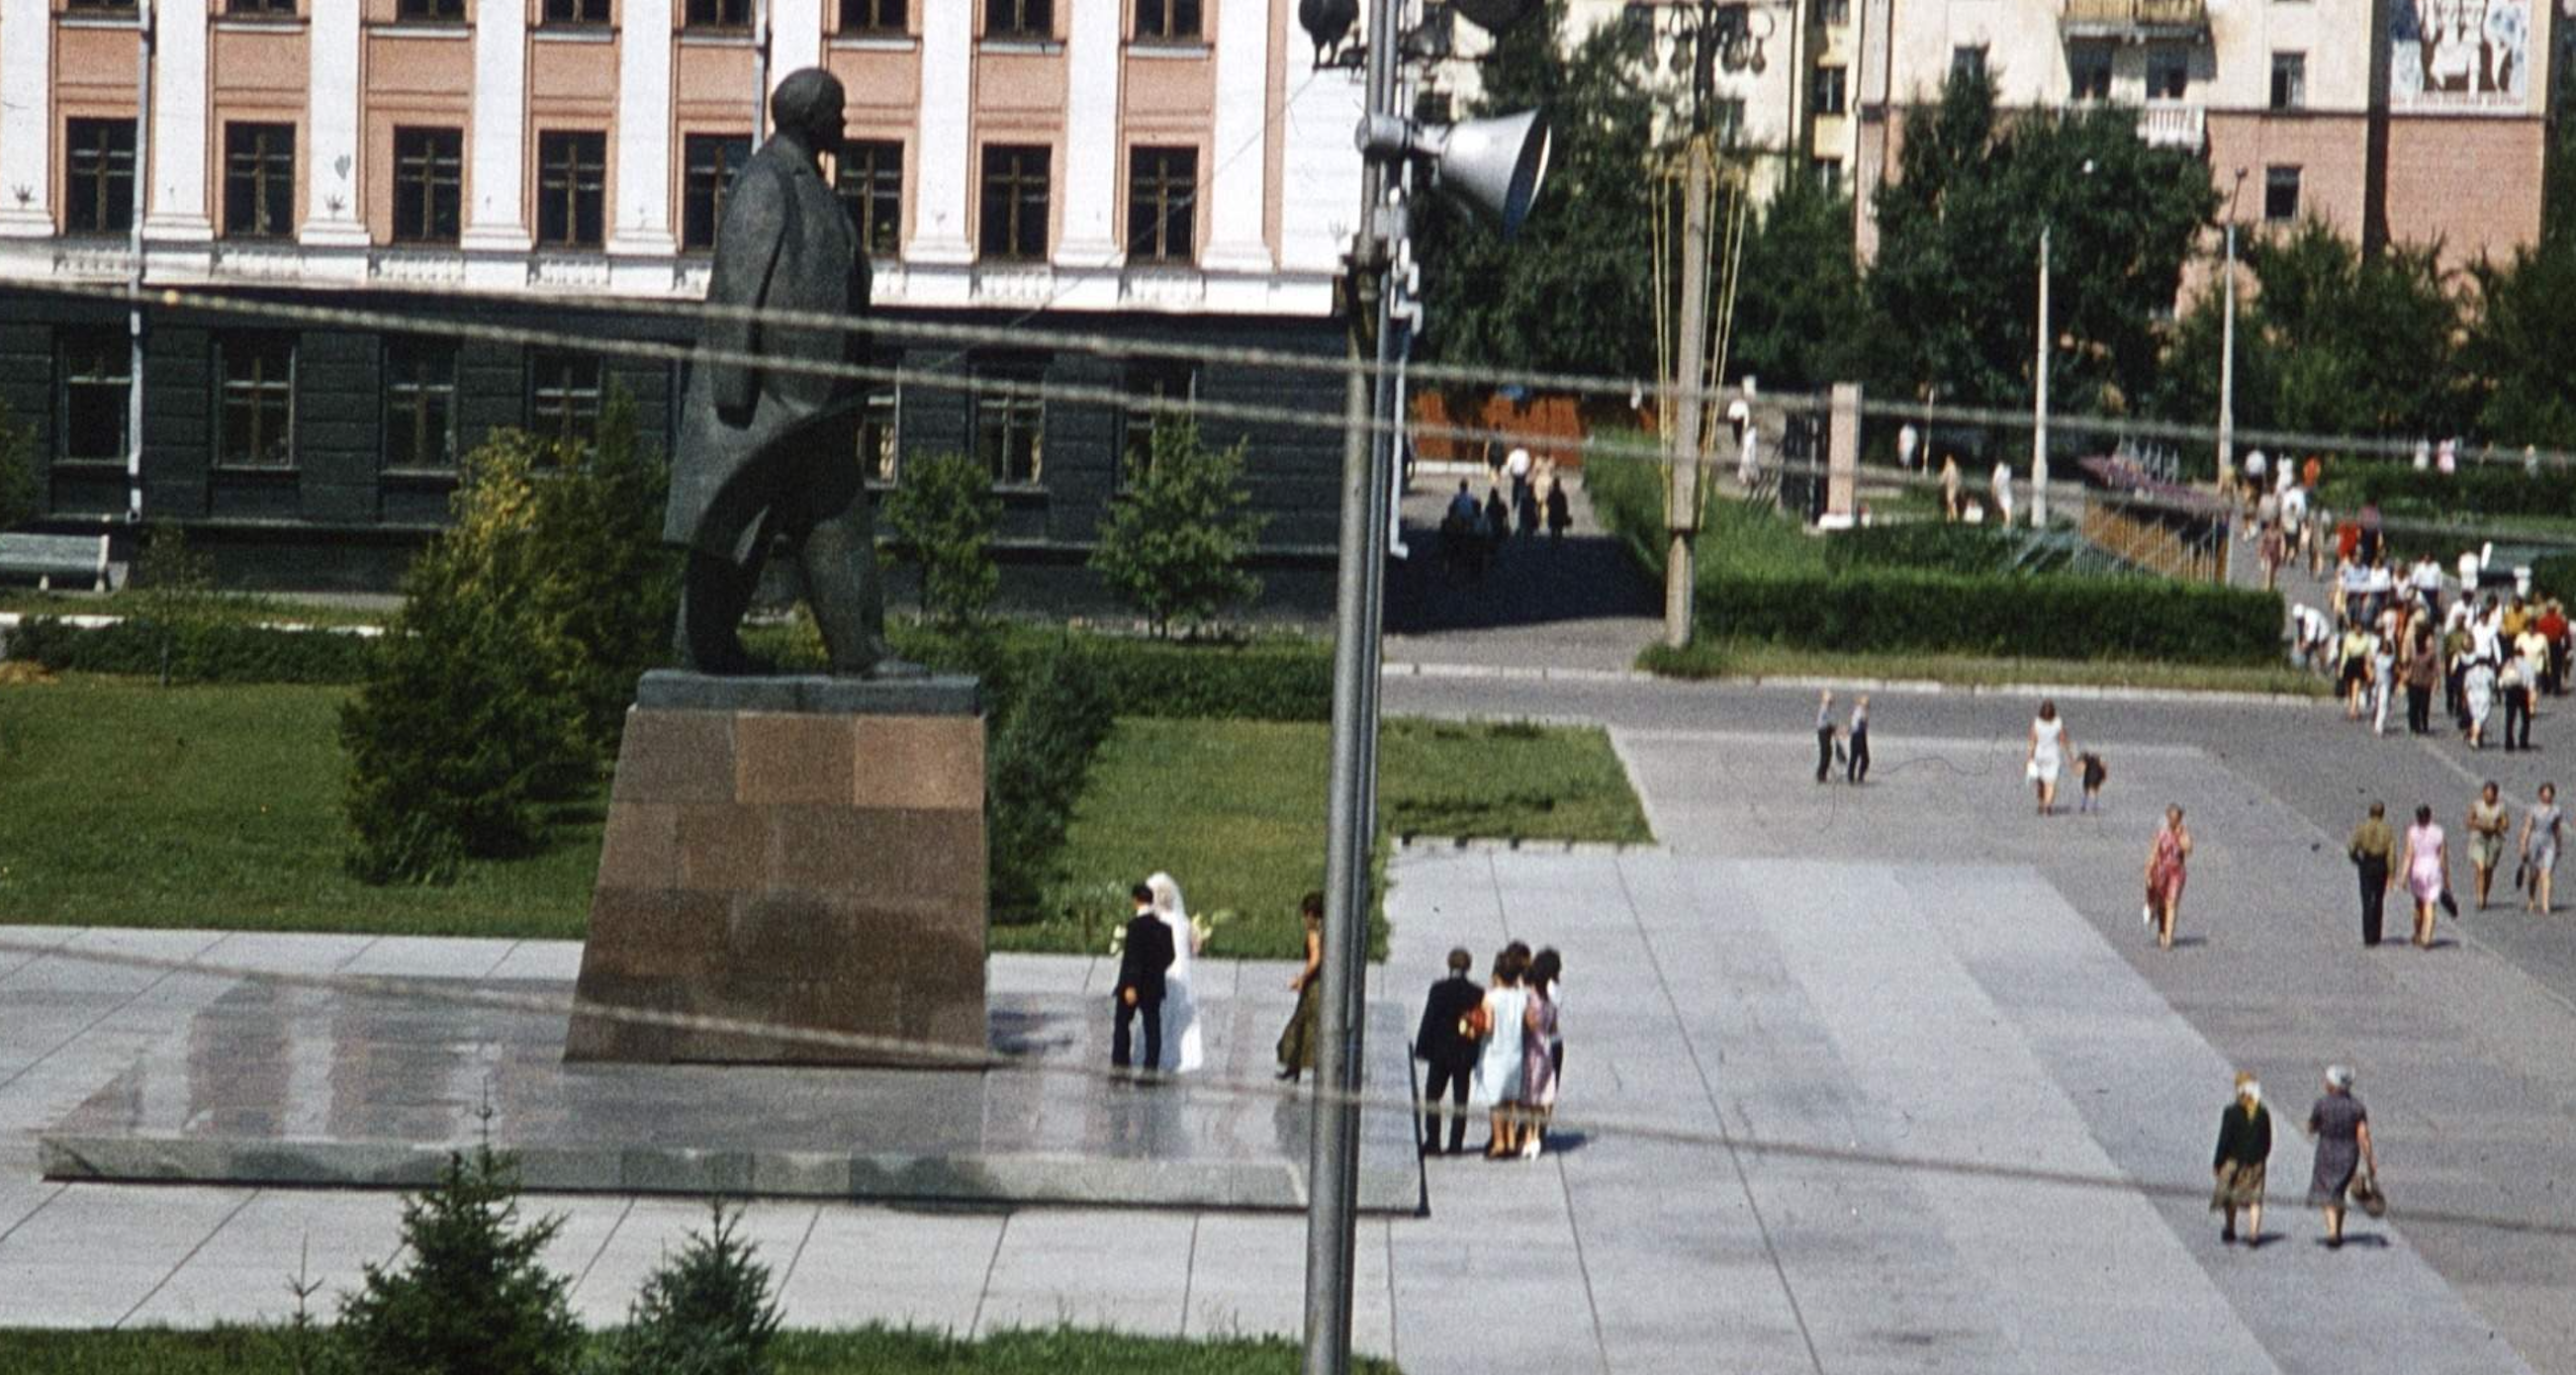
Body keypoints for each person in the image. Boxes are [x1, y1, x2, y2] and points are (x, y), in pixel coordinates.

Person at [1413, 947, 1487, 1155]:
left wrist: (1422, 1047)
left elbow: (1429, 1019)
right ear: (1468, 967)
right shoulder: (1476, 992)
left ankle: (1433, 1141)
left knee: (1433, 1096)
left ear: (1449, 965)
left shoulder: (1439, 990)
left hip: (1440, 1052)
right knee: (1460, 1099)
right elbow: (1478, 1024)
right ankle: (1456, 1144)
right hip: (1464, 1052)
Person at [1469, 944, 1533, 1158]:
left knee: (1496, 1102)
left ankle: (1499, 1142)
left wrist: (1472, 1028)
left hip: (1495, 1054)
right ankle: (1512, 1139)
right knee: (1510, 1100)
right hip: (1515, 1053)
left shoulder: (1491, 998)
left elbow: (1488, 1027)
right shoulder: (1521, 997)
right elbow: (1529, 1024)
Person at [2305, 1066, 2377, 1248]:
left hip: (2326, 1151)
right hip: (2349, 1153)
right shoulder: (2357, 1106)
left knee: (2327, 1192)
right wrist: (2370, 1159)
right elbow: (2363, 1135)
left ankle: (2332, 1232)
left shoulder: (2322, 1104)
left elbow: (2312, 1127)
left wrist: (2315, 1126)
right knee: (2339, 1191)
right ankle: (2338, 1229)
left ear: (2331, 1084)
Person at [1112, 882, 1176, 1073]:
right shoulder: (1164, 928)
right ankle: (1151, 1063)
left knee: (1122, 1023)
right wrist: (1155, 972)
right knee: (1152, 1026)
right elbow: (1170, 956)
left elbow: (1133, 958)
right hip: (1153, 986)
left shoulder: (1135, 927)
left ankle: (1121, 1060)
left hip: (1132, 985)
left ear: (1136, 900)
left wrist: (1131, 985)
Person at [1145, 871, 1204, 1074]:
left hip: (1163, 973)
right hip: (1180, 974)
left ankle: (1158, 1054)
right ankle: (1178, 1053)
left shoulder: (1155, 921)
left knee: (1158, 1015)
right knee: (1177, 1016)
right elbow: (1194, 949)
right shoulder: (1183, 921)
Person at [2212, 1071, 2272, 1245]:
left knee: (2231, 1196)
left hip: (2234, 1162)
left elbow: (2224, 1139)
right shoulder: (2262, 1113)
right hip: (2256, 1163)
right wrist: (2261, 1157)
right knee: (2255, 1199)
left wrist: (2218, 1162)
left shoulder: (2231, 1112)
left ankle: (2230, 1228)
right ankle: (2254, 1234)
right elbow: (2267, 1140)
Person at [1274, 891, 1324, 1081]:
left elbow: (1315, 959)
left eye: (1305, 915)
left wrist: (1302, 978)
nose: (1304, 920)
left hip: (1314, 988)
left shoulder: (1314, 934)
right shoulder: (1327, 930)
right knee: (1305, 1026)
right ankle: (1295, 1068)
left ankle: (1295, 1066)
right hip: (1319, 985)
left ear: (1311, 914)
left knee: (1299, 1026)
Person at [1518, 949, 1561, 1158]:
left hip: (1531, 1049)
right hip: (1547, 1048)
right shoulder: (1550, 999)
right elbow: (1553, 1028)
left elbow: (1529, 1024)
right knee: (1542, 1094)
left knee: (1528, 1095)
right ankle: (1536, 1135)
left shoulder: (1530, 998)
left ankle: (1528, 1135)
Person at [2145, 804, 2192, 951]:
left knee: (2171, 902)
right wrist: (2148, 871)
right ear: (2167, 817)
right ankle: (2162, 930)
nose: (2173, 821)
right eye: (2171, 818)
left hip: (2176, 872)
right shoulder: (2161, 833)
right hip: (2161, 871)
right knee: (2161, 904)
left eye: (2176, 818)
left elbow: (2188, 850)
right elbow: (2154, 852)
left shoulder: (2183, 833)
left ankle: (2169, 938)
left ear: (2180, 818)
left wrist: (2179, 835)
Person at [2348, 801, 2396, 947]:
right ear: (2382, 813)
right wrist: (2391, 872)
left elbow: (2351, 846)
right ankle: (2376, 934)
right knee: (2379, 900)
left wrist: (2357, 860)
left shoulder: (2362, 828)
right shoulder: (2387, 830)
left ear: (2370, 812)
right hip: (2380, 865)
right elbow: (2391, 853)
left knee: (2366, 900)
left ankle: (2368, 936)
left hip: (2367, 863)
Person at [2404, 804, 2450, 949]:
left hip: (2418, 869)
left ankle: (2417, 933)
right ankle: (2427, 937)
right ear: (2430, 816)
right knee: (2430, 904)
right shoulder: (2439, 832)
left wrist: (2403, 876)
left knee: (2419, 903)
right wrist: (2446, 878)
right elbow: (2442, 857)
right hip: (2433, 868)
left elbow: (2409, 854)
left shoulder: (2412, 832)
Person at [2523, 782, 2563, 916]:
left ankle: (2546, 904)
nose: (2547, 796)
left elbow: (2557, 829)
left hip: (2549, 842)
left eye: (2549, 793)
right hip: (2535, 841)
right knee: (2533, 874)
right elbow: (2528, 827)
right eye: (2545, 793)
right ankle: (2531, 899)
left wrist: (2559, 845)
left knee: (2546, 873)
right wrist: (2523, 844)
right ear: (2540, 795)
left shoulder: (2556, 810)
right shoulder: (2533, 809)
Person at [2468, 781, 2510, 909]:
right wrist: (2480, 825)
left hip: (2493, 840)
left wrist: (2496, 826)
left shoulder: (2500, 808)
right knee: (2480, 868)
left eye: (2491, 795)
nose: (2488, 797)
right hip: (2478, 839)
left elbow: (2505, 825)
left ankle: (2485, 895)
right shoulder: (2477, 805)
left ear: (2496, 795)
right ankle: (2480, 898)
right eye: (2486, 794)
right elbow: (2469, 821)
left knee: (2488, 869)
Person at [2027, 700, 2070, 815]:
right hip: (2053, 755)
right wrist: (2070, 754)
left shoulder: (2037, 722)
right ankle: (2047, 806)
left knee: (2040, 781)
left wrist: (2029, 758)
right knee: (2050, 783)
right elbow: (2063, 739)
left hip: (2039, 755)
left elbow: (2032, 740)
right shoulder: (2058, 722)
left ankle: (2041, 803)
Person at [2403, 631, 2440, 736]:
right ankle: (2414, 726)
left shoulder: (2430, 654)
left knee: (2424, 706)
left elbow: (2435, 668)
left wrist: (2436, 681)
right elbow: (2405, 665)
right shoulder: (2412, 653)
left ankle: (2424, 724)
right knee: (2413, 705)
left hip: (2425, 683)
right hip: (2413, 682)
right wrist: (2405, 675)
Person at [1846, 695, 1872, 784]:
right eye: (1867, 703)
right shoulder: (1859, 711)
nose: (1868, 705)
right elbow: (1861, 722)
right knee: (1861, 758)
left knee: (1858, 757)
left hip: (1859, 735)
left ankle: (1855, 777)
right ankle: (1853, 777)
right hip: (1857, 736)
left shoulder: (1860, 710)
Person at [1815, 689, 1838, 784]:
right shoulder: (1824, 708)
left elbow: (1830, 722)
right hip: (1823, 732)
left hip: (1827, 731)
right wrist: (1834, 728)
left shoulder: (1828, 708)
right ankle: (1820, 774)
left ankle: (1823, 773)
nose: (1831, 699)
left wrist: (1834, 729)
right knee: (1825, 753)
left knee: (1828, 752)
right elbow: (1826, 722)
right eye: (1829, 698)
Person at [1991, 460, 2014, 528]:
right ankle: (2002, 524)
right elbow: (1994, 481)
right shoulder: (2000, 467)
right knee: (2000, 509)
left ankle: (2007, 525)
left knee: (2007, 508)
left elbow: (2007, 481)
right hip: (1999, 491)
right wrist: (1993, 492)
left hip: (2006, 491)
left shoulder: (2009, 468)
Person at [1939, 455, 1962, 521]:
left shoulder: (1950, 467)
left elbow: (1944, 476)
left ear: (1950, 460)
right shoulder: (1952, 467)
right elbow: (1945, 476)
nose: (1946, 461)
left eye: (1947, 460)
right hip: (1952, 487)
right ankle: (1953, 517)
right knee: (1952, 502)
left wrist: (1941, 482)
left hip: (1952, 487)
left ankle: (1950, 517)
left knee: (1950, 502)